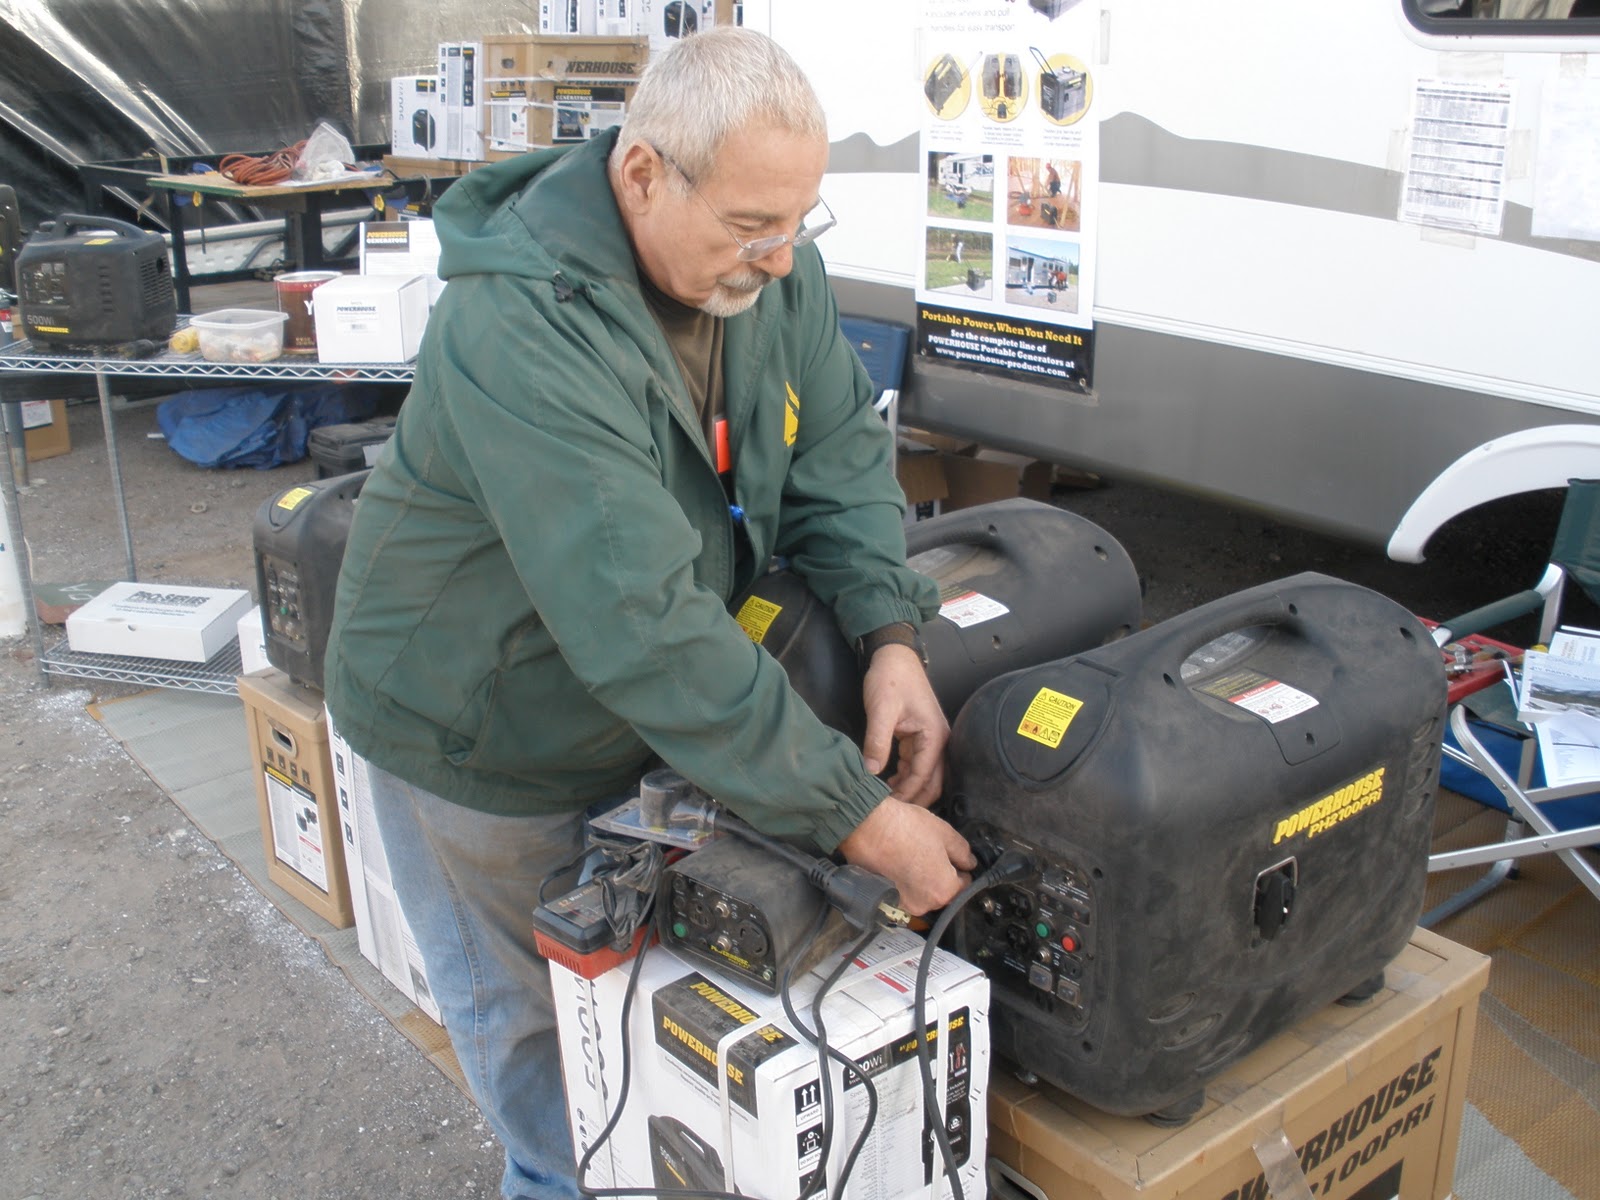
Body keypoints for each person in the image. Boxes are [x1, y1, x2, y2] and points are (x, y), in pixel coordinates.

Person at [323, 26, 975, 1200]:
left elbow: (835, 455)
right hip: (477, 729)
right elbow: (638, 618)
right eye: (748, 228)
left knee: (649, 1038)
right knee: (549, 1062)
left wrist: (891, 637)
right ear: (640, 176)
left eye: (799, 224)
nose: (778, 260)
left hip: (639, 711)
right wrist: (857, 820)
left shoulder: (770, 269)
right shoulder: (519, 322)